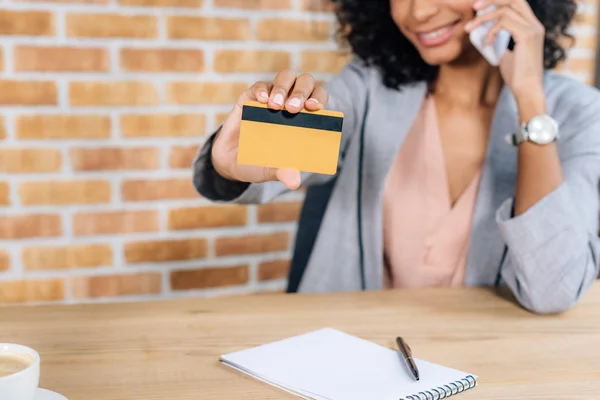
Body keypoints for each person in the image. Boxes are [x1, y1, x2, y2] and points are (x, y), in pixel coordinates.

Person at [192, 0, 600, 314]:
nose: (418, 12)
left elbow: (552, 290)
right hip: (349, 357)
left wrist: (529, 96)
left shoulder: (580, 113)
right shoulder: (369, 89)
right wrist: (230, 162)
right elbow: (292, 142)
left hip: (488, 370)